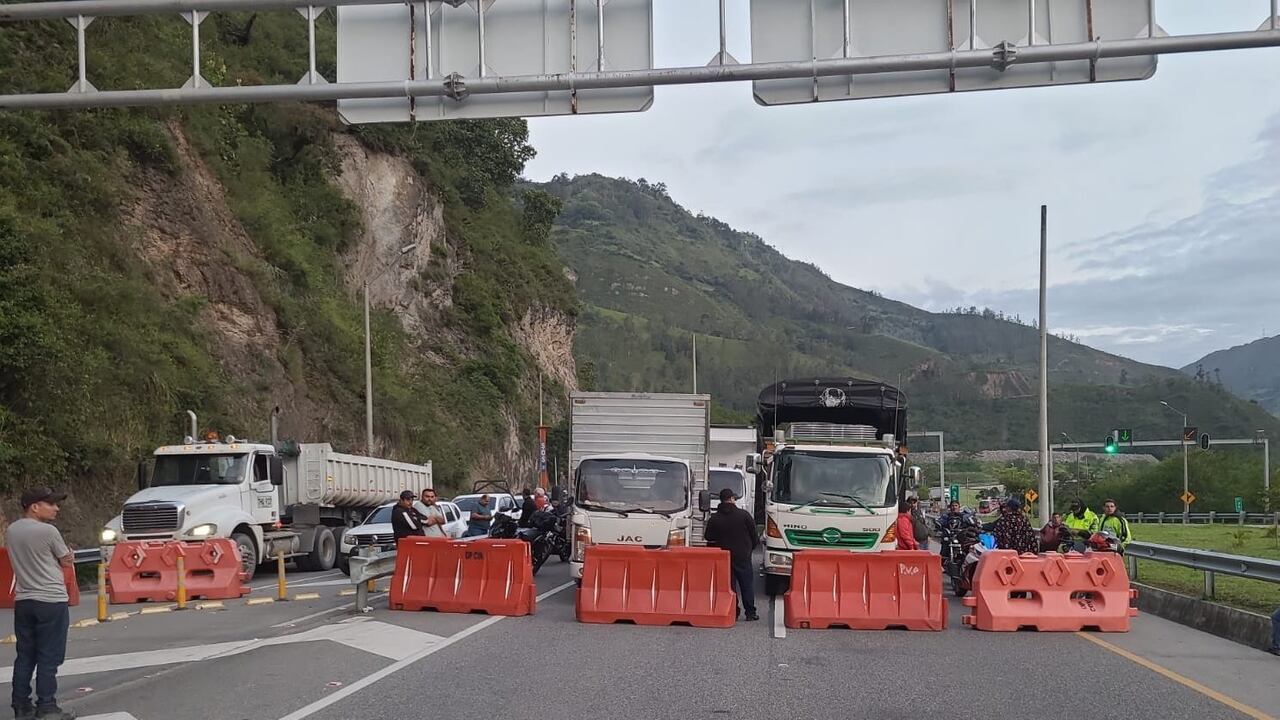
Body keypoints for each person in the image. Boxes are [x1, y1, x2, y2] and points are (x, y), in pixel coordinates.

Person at [7, 487, 75, 720]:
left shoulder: (11, 530)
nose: (56, 508)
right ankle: (47, 707)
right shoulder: (48, 531)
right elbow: (66, 561)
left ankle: (21, 706)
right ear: (35, 507)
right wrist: (68, 556)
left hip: (24, 600)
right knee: (49, 656)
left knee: (25, 655)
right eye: (51, 504)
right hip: (51, 600)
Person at [703, 488, 759, 621]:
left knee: (730, 585)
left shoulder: (715, 518)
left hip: (724, 556)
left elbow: (708, 536)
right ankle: (750, 612)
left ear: (721, 500)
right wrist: (750, 548)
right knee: (746, 584)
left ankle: (733, 610)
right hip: (742, 555)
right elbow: (754, 534)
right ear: (732, 499)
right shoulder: (743, 515)